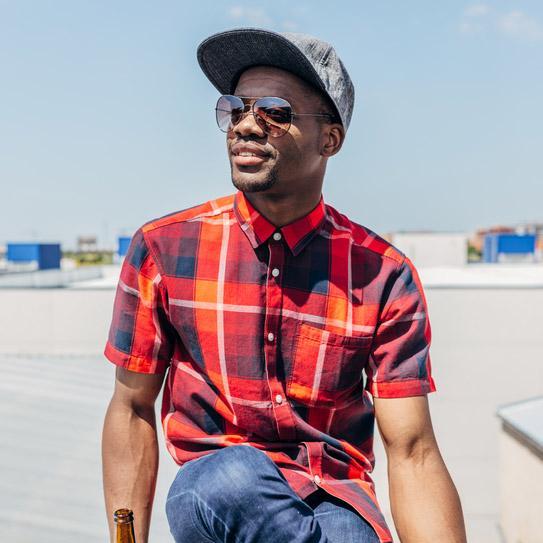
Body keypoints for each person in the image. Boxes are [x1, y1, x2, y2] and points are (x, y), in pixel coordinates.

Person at [101, 27, 467, 543]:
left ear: (329, 140)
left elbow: (413, 451)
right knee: (230, 479)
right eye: (235, 108)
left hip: (334, 499)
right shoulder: (164, 248)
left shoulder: (383, 274)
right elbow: (132, 408)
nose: (247, 125)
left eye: (275, 111)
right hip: (217, 491)